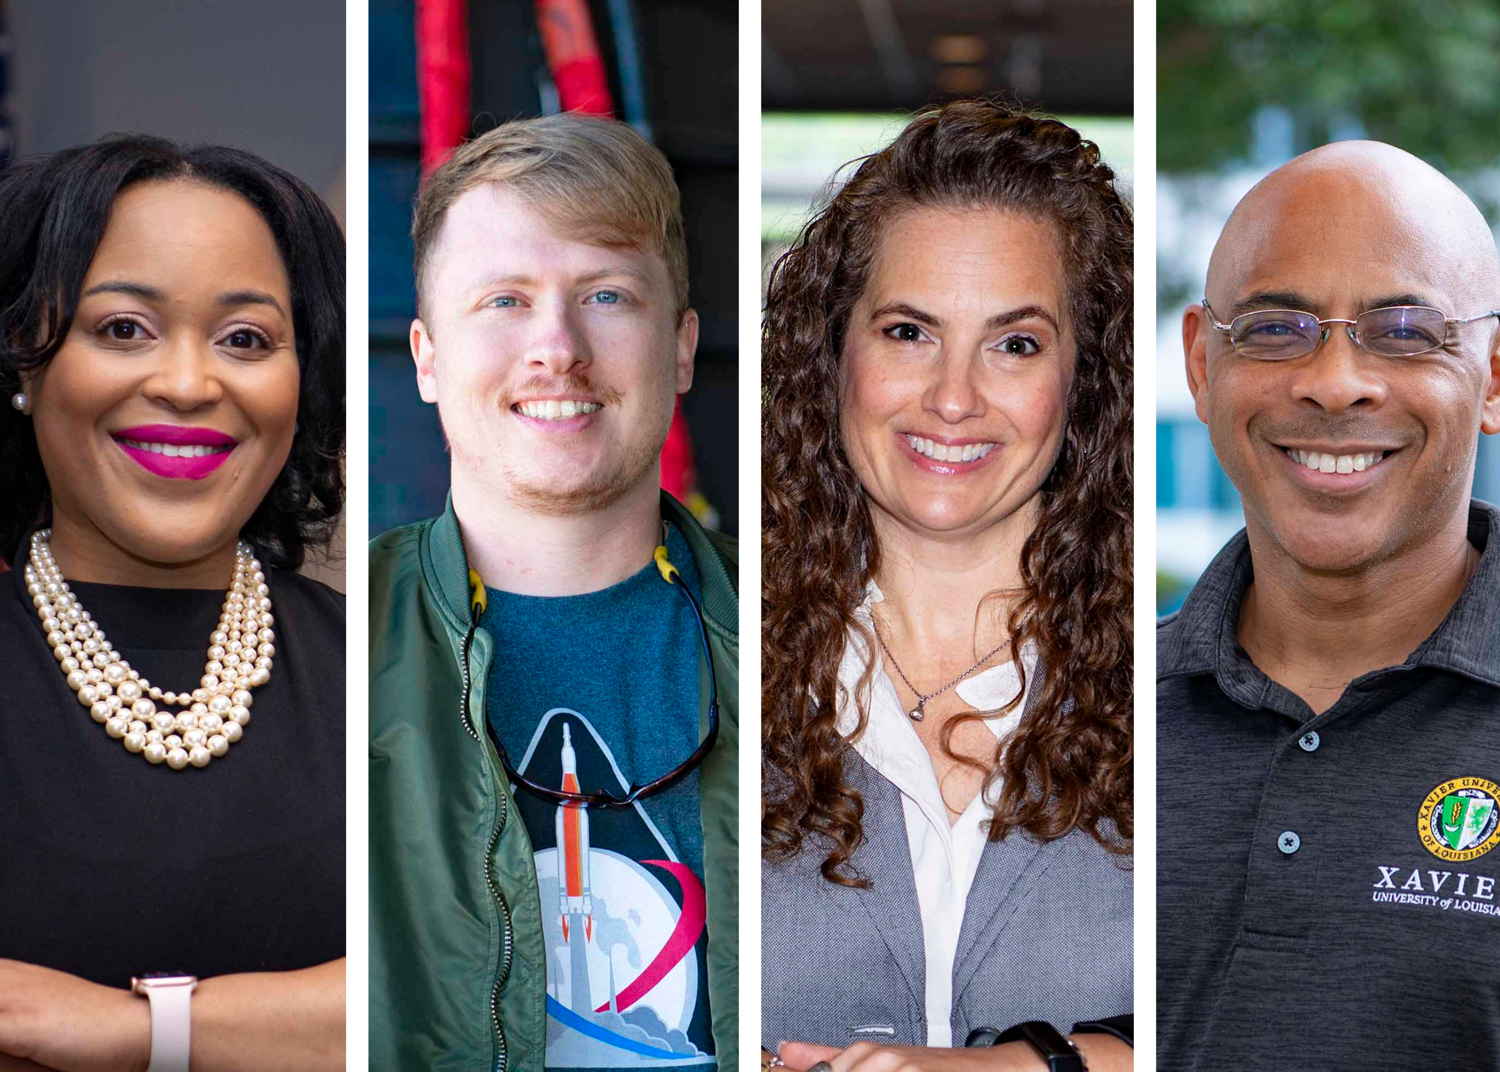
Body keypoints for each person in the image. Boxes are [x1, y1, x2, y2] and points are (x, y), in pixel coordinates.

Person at [760, 101, 1133, 1072]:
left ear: (1083, 378)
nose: (954, 397)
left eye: (1015, 343)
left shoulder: (1177, 685)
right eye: (908, 331)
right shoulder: (703, 662)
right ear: (833, 353)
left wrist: (1039, 1066)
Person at [368, 113, 738, 1072]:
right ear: (426, 357)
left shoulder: (823, 633)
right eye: (503, 301)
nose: (557, 347)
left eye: (606, 295)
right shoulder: (326, 646)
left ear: (685, 345)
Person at [0, 137, 346, 1071]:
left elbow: (458, 990)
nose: (189, 384)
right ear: (23, 366)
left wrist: (130, 1031)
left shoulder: (396, 670)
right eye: (123, 329)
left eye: (246, 339)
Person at [1158, 141, 1500, 1070]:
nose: (1336, 380)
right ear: (1200, 364)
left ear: (1495, 373)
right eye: (1276, 328)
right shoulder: (1089, 713)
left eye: (1403, 329)